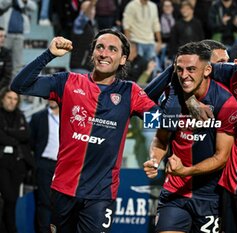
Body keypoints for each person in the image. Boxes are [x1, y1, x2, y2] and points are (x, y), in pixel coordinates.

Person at [10, 28, 159, 233]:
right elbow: (19, 86)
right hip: (63, 188)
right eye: (100, 47)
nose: (104, 53)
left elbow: (159, 121)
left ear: (123, 59)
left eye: (112, 49)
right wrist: (49, 54)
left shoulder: (130, 92)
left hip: (101, 194)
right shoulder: (68, 82)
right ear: (92, 53)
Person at [143, 41, 237, 233]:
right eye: (180, 69)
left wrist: (185, 171)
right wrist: (154, 159)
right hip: (175, 193)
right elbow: (161, 139)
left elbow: (221, 158)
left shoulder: (226, 101)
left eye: (192, 69)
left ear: (207, 70)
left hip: (210, 197)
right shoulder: (170, 99)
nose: (184, 75)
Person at [0, 87, 32, 233]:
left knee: (11, 200)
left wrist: (7, 131)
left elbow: (26, 135)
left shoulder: (20, 115)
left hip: (18, 162)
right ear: (2, 99)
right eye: (9, 98)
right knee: (9, 197)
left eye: (15, 99)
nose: (12, 101)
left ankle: (9, 229)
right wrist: (15, 137)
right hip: (2, 162)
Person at [30, 100, 59, 233]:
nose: (51, 99)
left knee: (61, 204)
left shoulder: (71, 117)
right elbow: (30, 142)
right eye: (49, 97)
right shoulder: (38, 117)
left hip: (63, 167)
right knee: (44, 202)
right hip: (44, 164)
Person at [69, 0, 98, 74]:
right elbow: (84, 15)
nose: (92, 10)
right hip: (79, 67)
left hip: (89, 68)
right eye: (89, 8)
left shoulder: (93, 25)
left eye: (93, 8)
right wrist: (92, 3)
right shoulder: (79, 23)